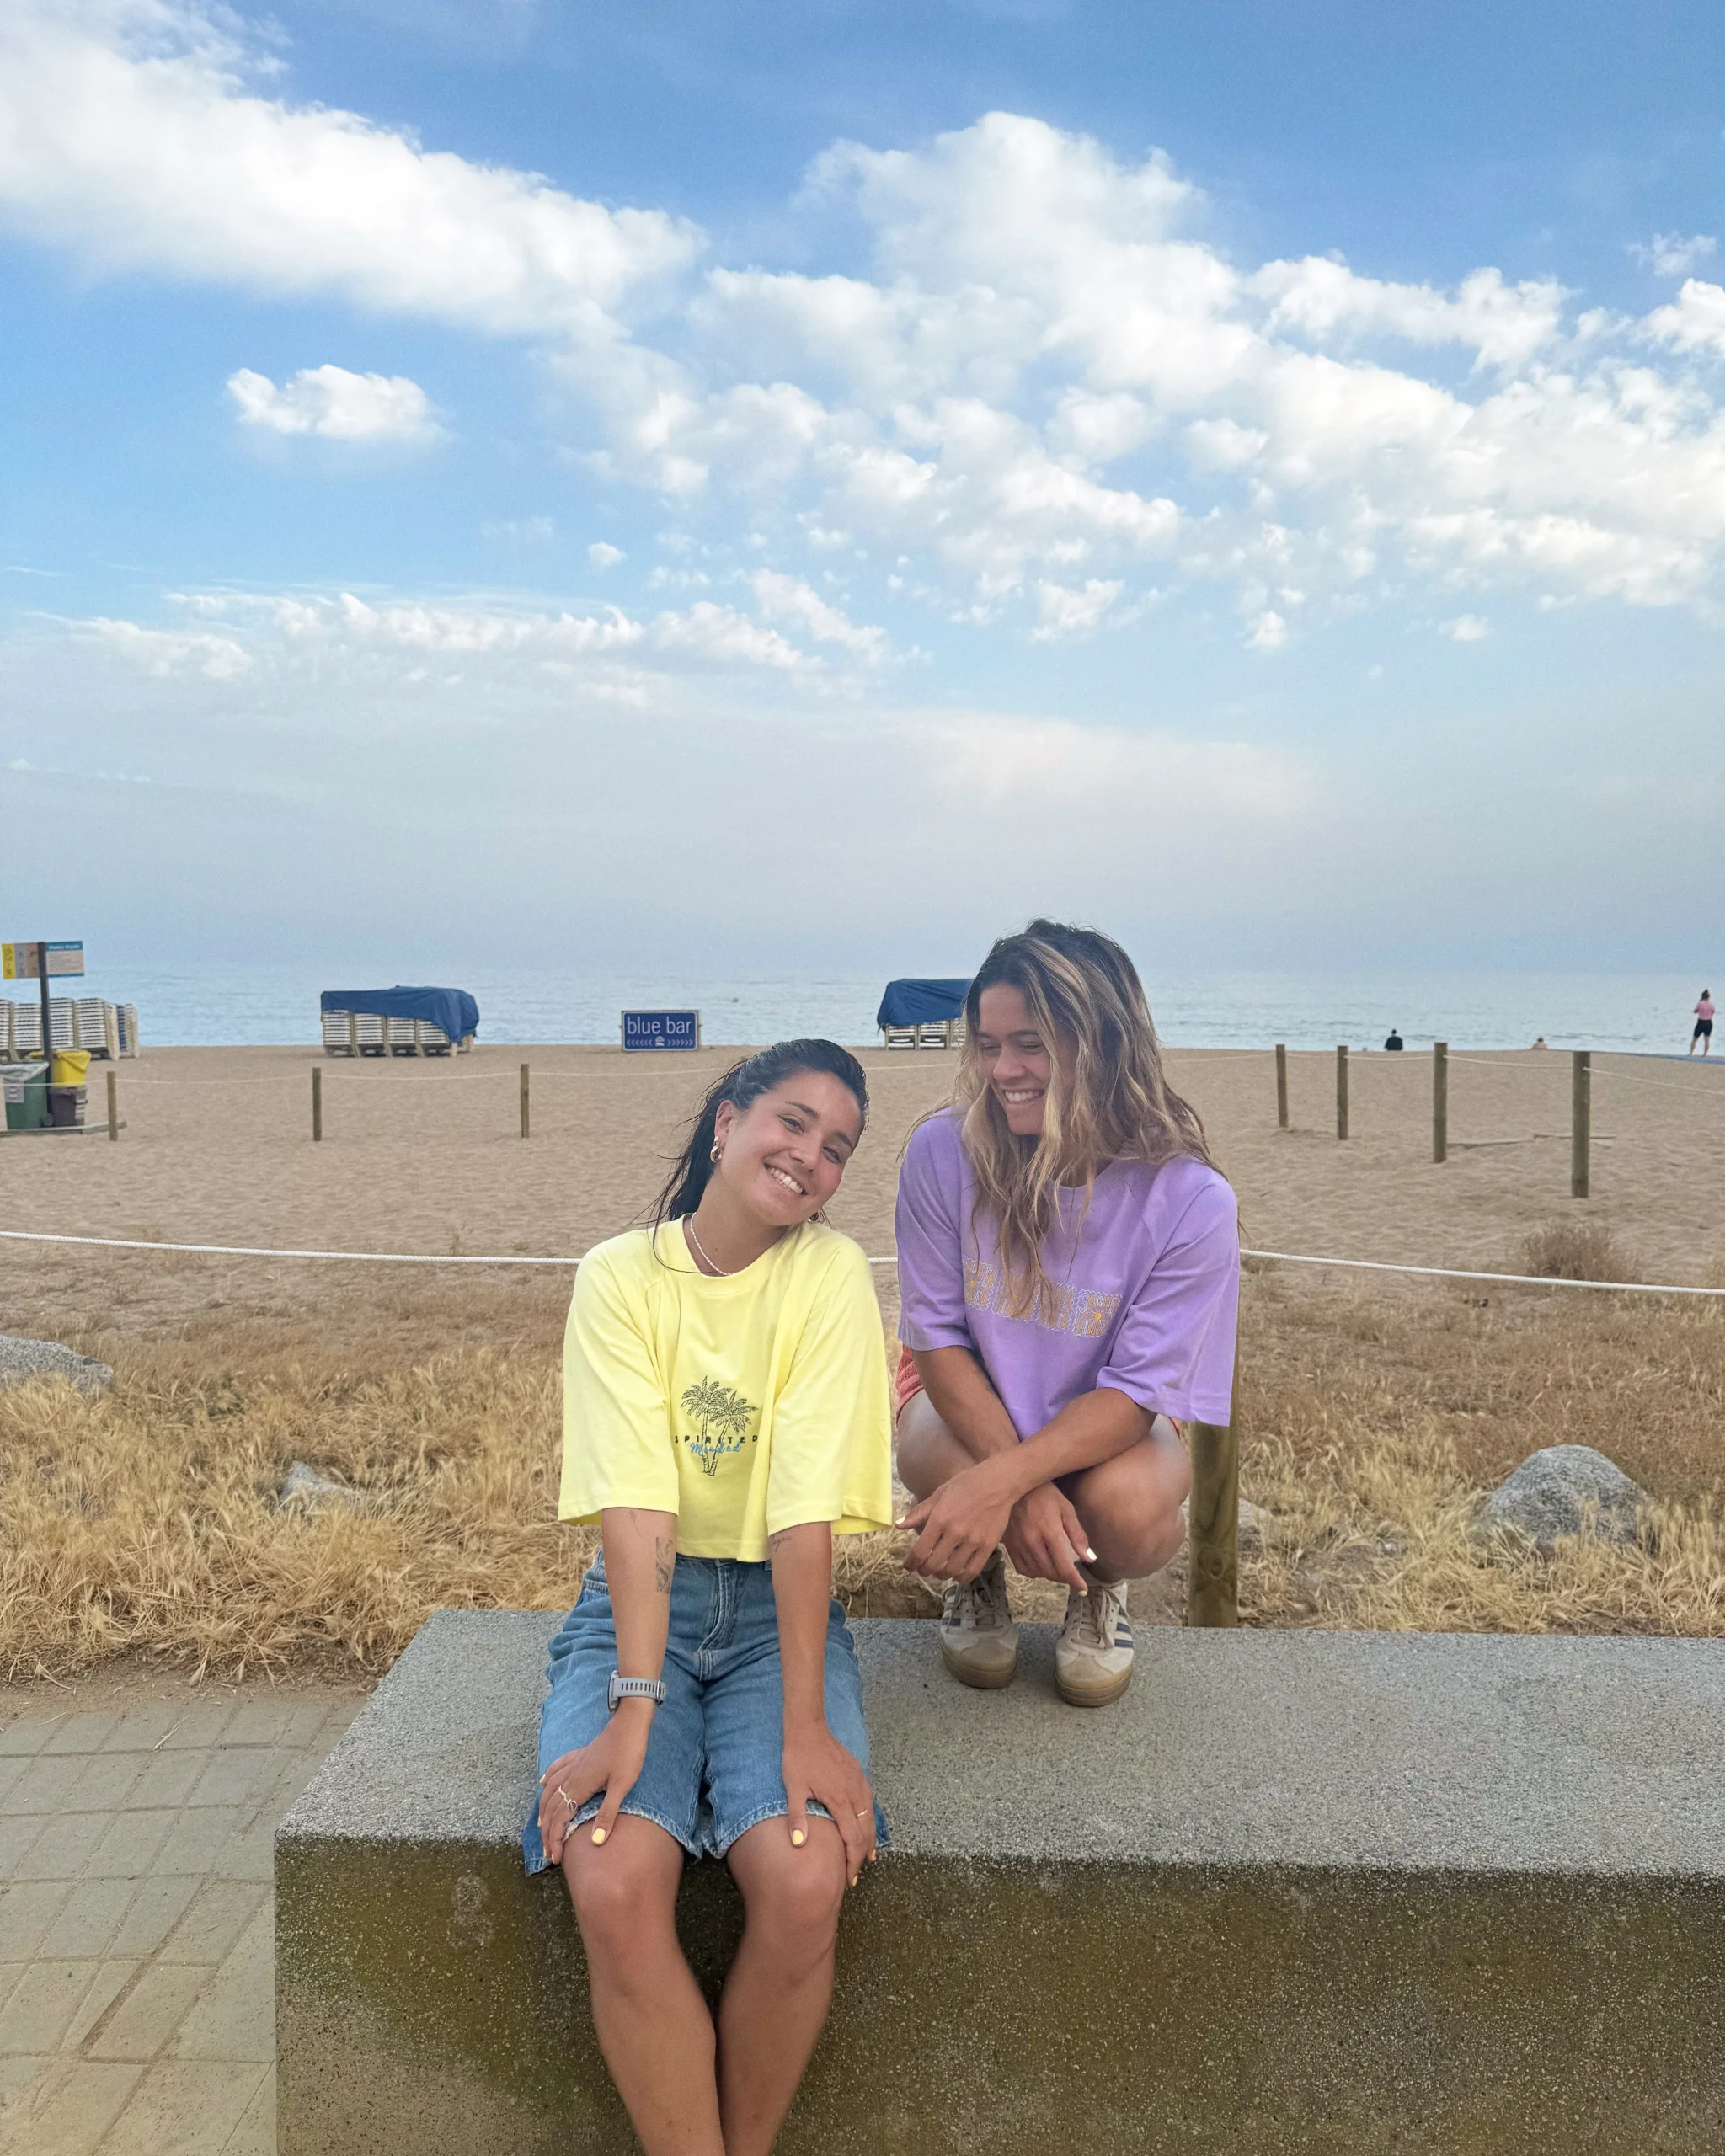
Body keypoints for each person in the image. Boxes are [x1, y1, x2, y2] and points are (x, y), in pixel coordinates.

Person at [525, 1041, 894, 2156]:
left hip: (778, 1616)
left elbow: (801, 1514)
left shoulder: (827, 1275)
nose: (810, 1157)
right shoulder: (618, 1276)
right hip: (640, 1607)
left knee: (806, 1874)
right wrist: (633, 1711)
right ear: (727, 1122)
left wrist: (805, 1726)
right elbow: (636, 1508)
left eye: (838, 1148)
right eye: (792, 1122)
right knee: (608, 1873)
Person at [894, 921, 1238, 1708]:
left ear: (1105, 1044)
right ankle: (976, 1571)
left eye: (1031, 1045)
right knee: (934, 1460)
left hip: (1108, 1419)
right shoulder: (942, 1152)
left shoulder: (1190, 1200)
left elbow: (1134, 1394)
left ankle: (1099, 1586)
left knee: (1132, 1514)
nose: (1002, 1071)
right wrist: (1010, 1489)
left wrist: (1003, 1487)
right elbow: (937, 1340)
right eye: (988, 1045)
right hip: (963, 1399)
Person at [1690, 990, 1715, 1057]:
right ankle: (1705, 1054)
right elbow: (1712, 1013)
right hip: (1708, 1022)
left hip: (1701, 1022)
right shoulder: (1711, 1005)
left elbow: (1695, 1011)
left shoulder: (1700, 1004)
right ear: (1709, 997)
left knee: (1695, 1038)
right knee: (1707, 1039)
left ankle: (1691, 1052)